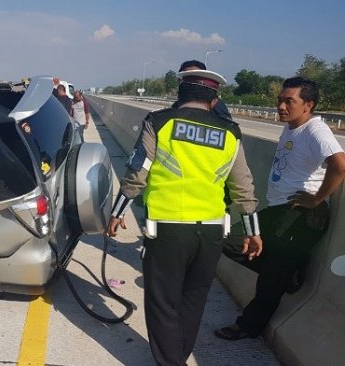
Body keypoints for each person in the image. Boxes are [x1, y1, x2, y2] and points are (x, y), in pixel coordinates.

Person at [107, 69, 262, 366]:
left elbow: (138, 173)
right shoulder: (230, 132)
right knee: (194, 299)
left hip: (169, 229)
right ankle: (177, 355)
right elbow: (244, 187)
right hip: (212, 232)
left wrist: (118, 212)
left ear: (179, 96)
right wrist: (253, 231)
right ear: (215, 101)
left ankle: (171, 362)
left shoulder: (160, 122)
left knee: (163, 301)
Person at [215, 77, 345, 341]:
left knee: (269, 281)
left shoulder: (315, 130)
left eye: (289, 101)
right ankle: (288, 273)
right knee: (230, 242)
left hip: (301, 214)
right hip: (280, 211)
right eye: (280, 100)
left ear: (308, 105)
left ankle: (248, 326)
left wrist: (317, 199)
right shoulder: (291, 127)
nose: (281, 106)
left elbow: (340, 165)